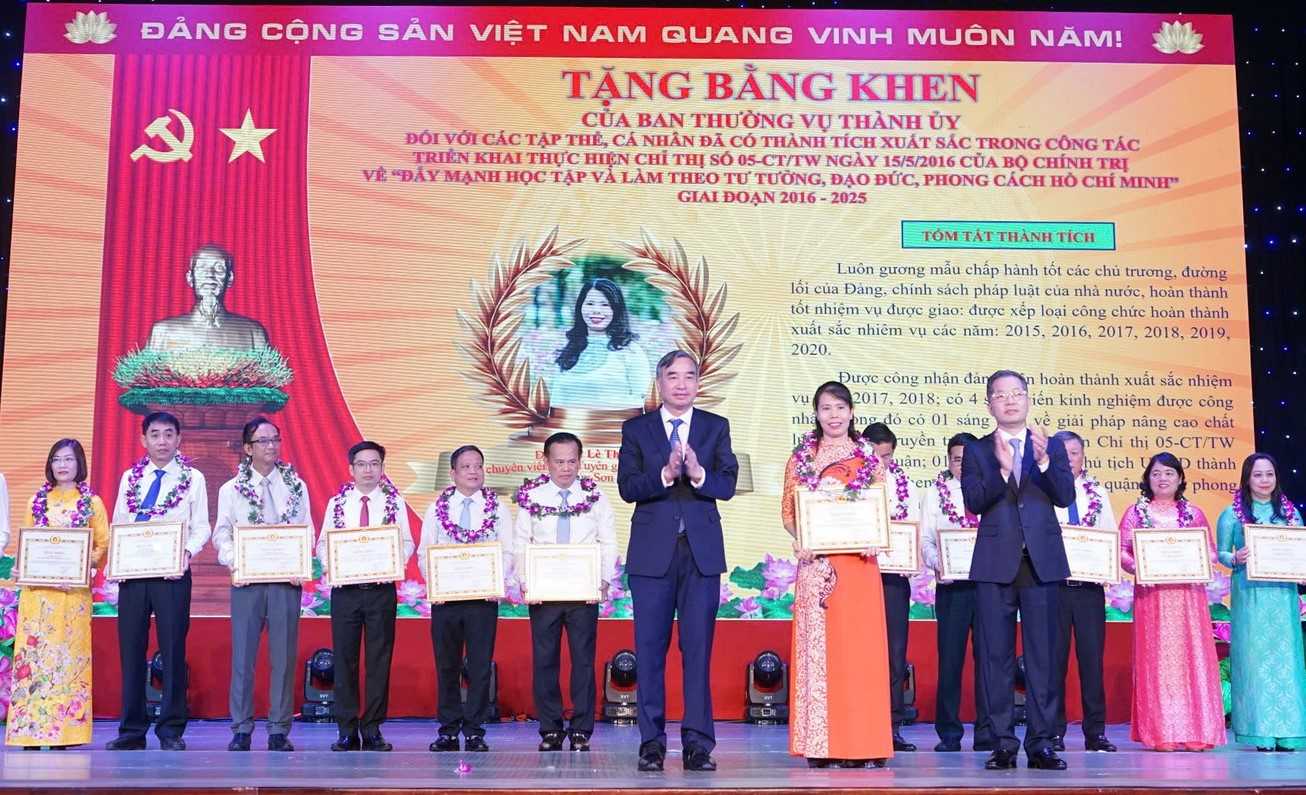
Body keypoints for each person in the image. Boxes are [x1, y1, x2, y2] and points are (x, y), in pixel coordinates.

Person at [617, 349, 738, 773]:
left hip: (700, 556)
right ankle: (651, 742)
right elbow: (627, 487)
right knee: (649, 651)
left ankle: (698, 744)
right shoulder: (637, 430)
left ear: (698, 382)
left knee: (698, 651)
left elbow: (727, 482)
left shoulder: (714, 426)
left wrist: (699, 473)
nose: (682, 383)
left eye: (689, 376)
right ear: (660, 382)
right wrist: (666, 475)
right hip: (652, 556)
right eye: (673, 376)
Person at [961, 370, 1074, 771]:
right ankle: (1003, 742)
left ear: (1028, 399)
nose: (1010, 401)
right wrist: (1005, 472)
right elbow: (974, 501)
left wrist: (1042, 462)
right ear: (989, 404)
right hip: (996, 563)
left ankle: (1042, 742)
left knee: (1044, 656)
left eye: (1017, 394)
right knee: (996, 657)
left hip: (1042, 562)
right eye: (1000, 395)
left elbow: (1064, 496)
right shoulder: (976, 451)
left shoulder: (1052, 446)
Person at [784, 382, 893, 769]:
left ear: (851, 412)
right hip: (818, 568)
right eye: (825, 408)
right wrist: (804, 539)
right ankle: (821, 744)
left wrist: (873, 537)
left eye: (840, 407)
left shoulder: (868, 457)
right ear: (816, 414)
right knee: (822, 655)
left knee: (860, 654)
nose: (833, 415)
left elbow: (880, 508)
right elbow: (789, 512)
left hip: (859, 567)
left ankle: (863, 743)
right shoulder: (801, 458)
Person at [107, 411, 210, 751]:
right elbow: (120, 522)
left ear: (179, 439)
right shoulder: (130, 478)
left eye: (169, 434)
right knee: (132, 649)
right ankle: (132, 730)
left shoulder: (192, 478)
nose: (162, 441)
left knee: (173, 649)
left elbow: (201, 527)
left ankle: (170, 730)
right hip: (135, 575)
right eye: (155, 434)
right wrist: (116, 566)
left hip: (172, 574)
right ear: (144, 440)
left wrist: (186, 554)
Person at [512, 432, 618, 752]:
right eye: (559, 461)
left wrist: (602, 579)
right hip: (544, 593)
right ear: (546, 462)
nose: (566, 467)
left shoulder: (595, 495)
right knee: (545, 661)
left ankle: (582, 728)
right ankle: (550, 728)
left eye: (572, 460)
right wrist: (526, 580)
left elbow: (608, 540)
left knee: (583, 662)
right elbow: (521, 542)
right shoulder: (533, 496)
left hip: (582, 593)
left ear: (580, 461)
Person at [212, 417, 311, 752]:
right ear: (247, 448)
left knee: (283, 658)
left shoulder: (296, 485)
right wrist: (236, 561)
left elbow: (305, 529)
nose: (271, 446)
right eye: (263, 440)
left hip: (285, 582)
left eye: (275, 439)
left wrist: (300, 561)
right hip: (248, 581)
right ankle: (241, 729)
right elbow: (221, 533)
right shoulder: (231, 489)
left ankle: (279, 730)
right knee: (243, 657)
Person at [4, 441, 108, 748]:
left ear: (80, 464)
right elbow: (28, 542)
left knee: (67, 659)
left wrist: (77, 565)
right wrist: (24, 567)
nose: (62, 465)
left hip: (71, 595)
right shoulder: (36, 500)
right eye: (56, 459)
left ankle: (66, 733)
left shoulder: (92, 502)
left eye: (69, 459)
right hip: (38, 594)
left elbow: (102, 546)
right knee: (34, 658)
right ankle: (29, 730)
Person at [1119, 452, 1224, 751]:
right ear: (1147, 479)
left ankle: (1196, 730)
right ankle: (1161, 731)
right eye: (1156, 473)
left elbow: (1211, 551)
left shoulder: (1194, 513)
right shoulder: (1135, 513)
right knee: (1159, 660)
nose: (1162, 478)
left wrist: (1204, 561)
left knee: (1192, 658)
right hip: (1153, 598)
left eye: (1168, 473)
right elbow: (1123, 552)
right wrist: (1138, 567)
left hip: (1188, 599)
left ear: (1179, 478)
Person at [316, 441, 415, 752]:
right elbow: (322, 545)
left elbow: (408, 543)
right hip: (345, 592)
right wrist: (337, 563)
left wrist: (391, 561)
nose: (369, 470)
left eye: (375, 464)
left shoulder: (394, 504)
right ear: (351, 469)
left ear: (382, 469)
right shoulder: (337, 504)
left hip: (380, 591)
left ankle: (372, 729)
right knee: (344, 660)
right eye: (362, 464)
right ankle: (346, 730)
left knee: (378, 659)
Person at [419, 445, 506, 753]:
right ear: (453, 473)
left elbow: (506, 551)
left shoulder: (497, 507)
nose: (473, 472)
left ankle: (474, 730)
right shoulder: (437, 508)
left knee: (480, 666)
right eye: (466, 467)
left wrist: (497, 580)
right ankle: (448, 729)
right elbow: (424, 553)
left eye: (478, 466)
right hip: (446, 601)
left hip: (483, 600)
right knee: (447, 665)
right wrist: (436, 586)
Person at [1216, 453, 1306, 751]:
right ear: (1247, 478)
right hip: (1250, 594)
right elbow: (1221, 554)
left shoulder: (1290, 513)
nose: (1264, 480)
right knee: (1255, 661)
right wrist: (1235, 557)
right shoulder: (1232, 513)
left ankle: (1289, 731)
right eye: (1257, 475)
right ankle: (1260, 733)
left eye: (1269, 474)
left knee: (1285, 660)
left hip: (1282, 597)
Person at [920, 432, 995, 753]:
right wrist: (939, 564)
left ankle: (987, 731)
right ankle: (949, 734)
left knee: (989, 661)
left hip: (987, 587)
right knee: (950, 661)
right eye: (957, 459)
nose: (963, 465)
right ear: (948, 460)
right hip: (951, 588)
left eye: (969, 458)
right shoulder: (935, 494)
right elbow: (925, 540)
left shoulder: (992, 491)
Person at [1049, 431, 1117, 753]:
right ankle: (1052, 732)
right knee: (1053, 663)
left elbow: (1110, 536)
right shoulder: (1042, 490)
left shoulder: (1098, 493)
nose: (1069, 459)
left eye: (1074, 453)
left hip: (1089, 589)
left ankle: (1095, 733)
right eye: (1062, 454)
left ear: (1083, 457)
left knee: (1092, 662)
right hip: (1054, 588)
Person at [860, 422, 918, 753]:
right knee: (862, 653)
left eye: (887, 455)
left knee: (895, 655)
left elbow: (912, 528)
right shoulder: (854, 482)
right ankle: (862, 725)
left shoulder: (904, 483)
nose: (880, 463)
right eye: (875, 455)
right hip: (860, 574)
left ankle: (892, 727)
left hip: (894, 577)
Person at [549, 277, 652, 409]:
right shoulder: (570, 349)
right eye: (590, 303)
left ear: (616, 310)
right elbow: (556, 402)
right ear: (580, 307)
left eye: (605, 304)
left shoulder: (630, 351)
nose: (596, 310)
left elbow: (644, 400)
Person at [145, 244, 270, 351]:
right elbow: (146, 377)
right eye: (201, 267)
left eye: (219, 268)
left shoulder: (252, 332)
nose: (210, 274)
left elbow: (267, 377)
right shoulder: (163, 331)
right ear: (190, 278)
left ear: (230, 278)